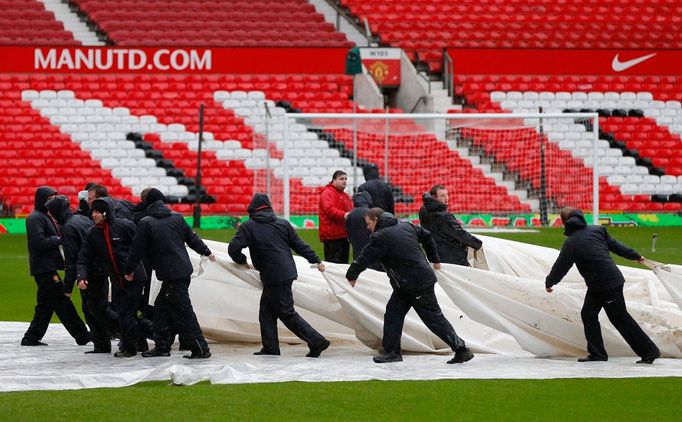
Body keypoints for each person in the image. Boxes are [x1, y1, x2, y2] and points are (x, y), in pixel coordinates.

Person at [345, 208, 474, 364]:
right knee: (393, 315)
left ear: (376, 220)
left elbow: (364, 257)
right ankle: (392, 352)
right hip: (407, 283)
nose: (367, 228)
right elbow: (427, 236)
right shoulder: (406, 225)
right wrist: (434, 258)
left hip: (414, 283)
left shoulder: (381, 237)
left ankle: (461, 349)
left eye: (369, 223)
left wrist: (351, 275)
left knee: (434, 319)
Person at [545, 207, 661, 364]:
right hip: (603, 283)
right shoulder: (597, 230)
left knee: (619, 318)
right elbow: (617, 246)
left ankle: (649, 352)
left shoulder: (571, 243)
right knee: (588, 314)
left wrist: (550, 282)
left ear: (565, 223)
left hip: (606, 284)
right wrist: (635, 256)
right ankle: (597, 354)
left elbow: (561, 266)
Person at [228, 193, 331, 358]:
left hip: (272, 274)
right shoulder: (283, 224)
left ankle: (316, 340)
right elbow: (299, 245)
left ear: (252, 209)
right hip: (286, 271)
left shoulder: (249, 226)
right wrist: (316, 260)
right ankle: (270, 347)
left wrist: (241, 261)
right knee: (266, 311)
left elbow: (233, 249)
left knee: (286, 312)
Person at [125, 188, 214, 359]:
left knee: (184, 313)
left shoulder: (146, 223)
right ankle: (162, 346)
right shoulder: (177, 218)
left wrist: (129, 270)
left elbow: (136, 250)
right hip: (181, 272)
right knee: (160, 311)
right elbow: (192, 238)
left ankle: (200, 348)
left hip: (170, 275)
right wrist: (206, 251)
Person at [77, 197, 150, 357]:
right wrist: (81, 276)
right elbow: (84, 257)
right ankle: (150, 335)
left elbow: (138, 248)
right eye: (93, 211)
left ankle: (130, 347)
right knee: (124, 313)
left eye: (98, 212)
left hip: (134, 278)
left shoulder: (125, 226)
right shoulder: (93, 234)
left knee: (125, 313)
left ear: (106, 212)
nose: (94, 215)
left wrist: (131, 269)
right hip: (117, 280)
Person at [21, 186, 90, 347]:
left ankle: (31, 337)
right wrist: (60, 238)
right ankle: (82, 335)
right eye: (50, 199)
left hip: (46, 267)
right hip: (44, 268)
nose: (52, 202)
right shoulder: (35, 218)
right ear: (42, 200)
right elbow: (39, 242)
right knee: (61, 301)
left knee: (45, 305)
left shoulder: (43, 216)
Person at [46, 195, 110, 354]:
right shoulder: (81, 219)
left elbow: (72, 261)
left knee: (93, 310)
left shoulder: (68, 228)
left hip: (89, 275)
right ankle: (104, 343)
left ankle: (131, 333)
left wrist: (67, 287)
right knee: (97, 309)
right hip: (99, 270)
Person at [418, 185, 482, 266]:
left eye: (447, 194)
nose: (446, 198)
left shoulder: (423, 210)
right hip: (453, 259)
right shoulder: (444, 216)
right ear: (434, 197)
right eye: (442, 195)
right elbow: (461, 235)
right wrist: (478, 244)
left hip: (434, 258)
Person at [319, 170, 353, 263]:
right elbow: (329, 210)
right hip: (332, 237)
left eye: (346, 179)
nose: (344, 181)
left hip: (343, 236)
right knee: (333, 266)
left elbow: (351, 211)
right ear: (334, 180)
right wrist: (345, 215)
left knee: (343, 265)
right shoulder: (327, 193)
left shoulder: (345, 196)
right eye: (341, 179)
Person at [345, 191, 382, 272]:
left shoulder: (350, 214)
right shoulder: (371, 213)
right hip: (372, 249)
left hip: (357, 249)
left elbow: (348, 233)